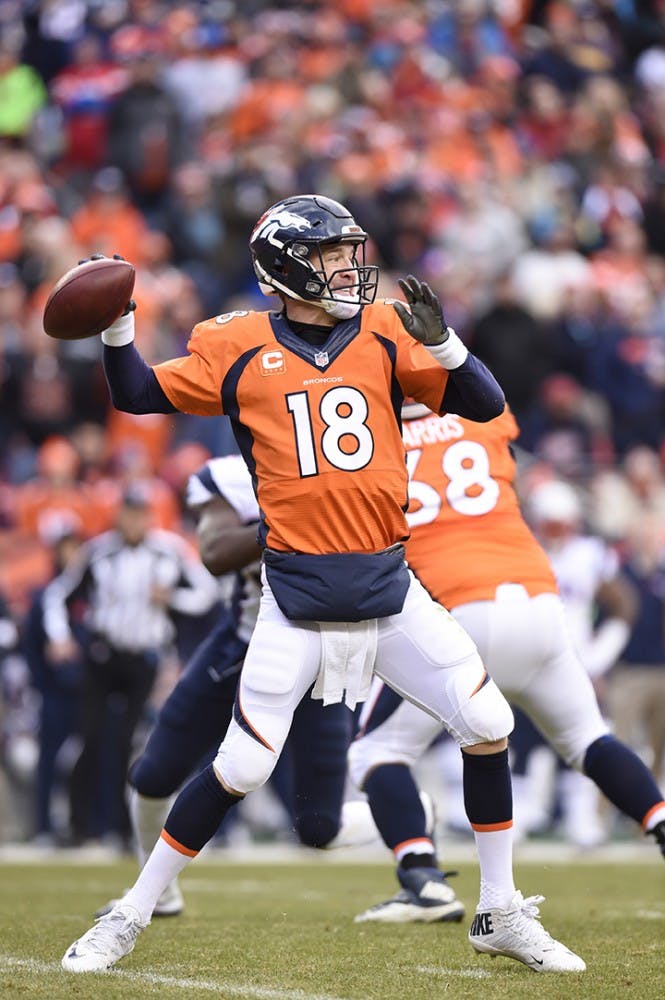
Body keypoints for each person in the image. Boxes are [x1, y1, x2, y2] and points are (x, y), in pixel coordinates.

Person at [61, 194, 584, 974]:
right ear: (285, 264)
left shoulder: (382, 331)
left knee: (486, 722)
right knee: (240, 767)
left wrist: (442, 345)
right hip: (299, 596)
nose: (350, 266)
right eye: (332, 253)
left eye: (349, 250)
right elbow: (136, 393)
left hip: (388, 585)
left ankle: (499, 910)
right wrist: (116, 323)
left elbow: (483, 403)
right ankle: (129, 914)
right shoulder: (234, 342)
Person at [347, 405, 665, 925]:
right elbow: (502, 450)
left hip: (457, 607)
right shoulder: (483, 414)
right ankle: (660, 821)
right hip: (537, 598)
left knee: (377, 753)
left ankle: (422, 878)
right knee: (588, 739)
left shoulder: (370, 434)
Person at [96, 451, 380, 918]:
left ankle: (415, 823)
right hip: (242, 645)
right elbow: (212, 555)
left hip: (318, 652)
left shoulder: (343, 463)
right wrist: (289, 519)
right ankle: (159, 894)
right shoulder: (229, 475)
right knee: (152, 776)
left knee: (318, 827)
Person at [43, 484, 219, 846]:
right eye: (128, 512)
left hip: (145, 659)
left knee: (130, 743)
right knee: (89, 738)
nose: (134, 520)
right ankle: (80, 827)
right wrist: (60, 635)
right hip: (103, 655)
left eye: (140, 513)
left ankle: (126, 830)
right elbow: (57, 594)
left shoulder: (169, 550)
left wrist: (172, 597)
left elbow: (206, 593)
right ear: (118, 514)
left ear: (150, 516)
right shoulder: (99, 552)